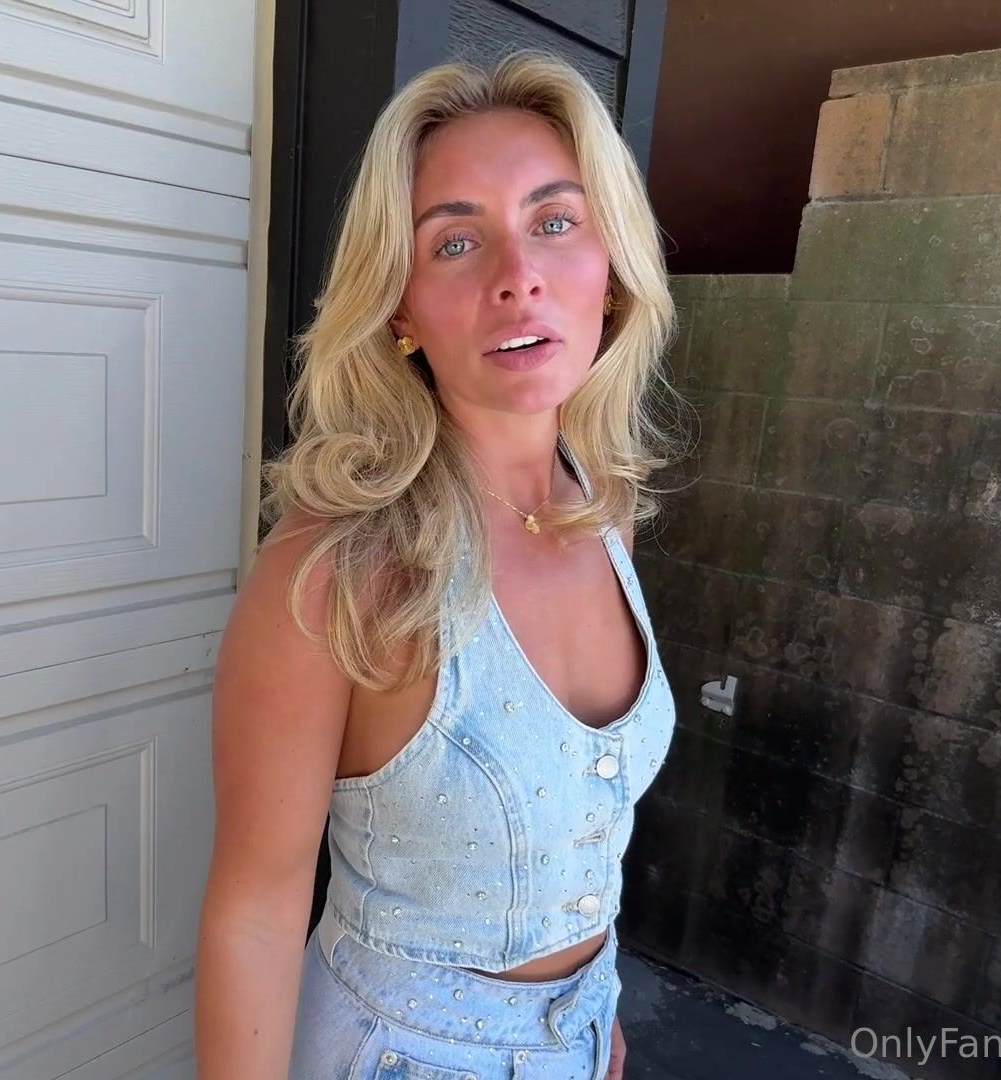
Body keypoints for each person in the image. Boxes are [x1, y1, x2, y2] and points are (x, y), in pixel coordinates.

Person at [195, 51, 683, 1079]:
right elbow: (256, 909)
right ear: (401, 310)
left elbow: (584, 824)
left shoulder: (602, 510)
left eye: (556, 221)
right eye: (455, 242)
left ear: (611, 266)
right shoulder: (339, 568)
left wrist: (594, 1016)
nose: (518, 275)